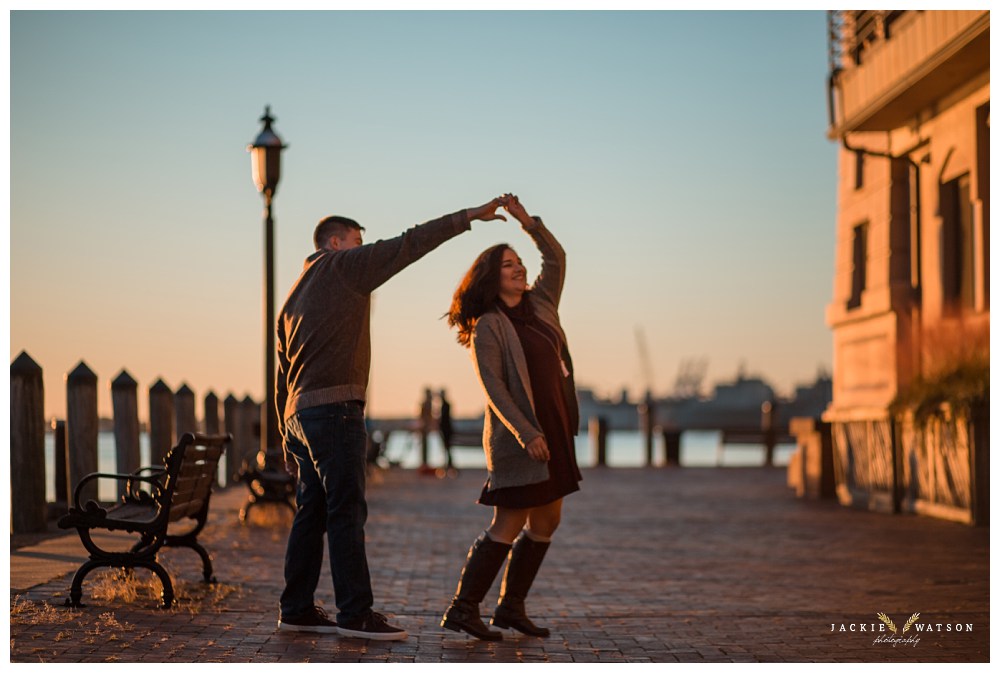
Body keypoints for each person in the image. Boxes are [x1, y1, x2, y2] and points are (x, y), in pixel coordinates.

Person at [275, 198, 508, 640]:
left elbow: (281, 375)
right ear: (335, 242)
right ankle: (355, 614)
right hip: (336, 410)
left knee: (311, 512)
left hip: (300, 417)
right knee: (347, 510)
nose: (364, 249)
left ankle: (296, 607)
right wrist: (468, 217)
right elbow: (408, 244)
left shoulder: (292, 296)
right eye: (357, 242)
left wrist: (286, 437)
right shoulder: (344, 267)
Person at [441, 194, 581, 641]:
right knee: (509, 521)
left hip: (555, 428)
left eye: (519, 262)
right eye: (508, 265)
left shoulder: (541, 304)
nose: (519, 269)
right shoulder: (488, 325)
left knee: (547, 521)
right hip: (520, 436)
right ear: (490, 276)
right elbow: (493, 387)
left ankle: (510, 607)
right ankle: (463, 609)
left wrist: (527, 223)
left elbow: (555, 258)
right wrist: (526, 433)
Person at [437, 389, 456, 476]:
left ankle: (449, 466)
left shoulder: (445, 405)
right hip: (447, 429)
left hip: (446, 430)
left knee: (447, 448)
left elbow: (444, 419)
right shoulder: (446, 405)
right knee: (447, 448)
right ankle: (449, 465)